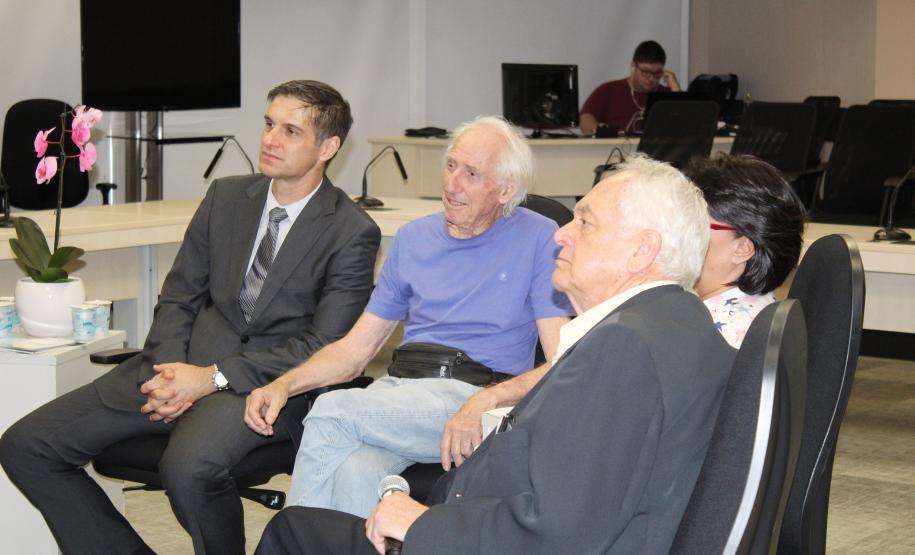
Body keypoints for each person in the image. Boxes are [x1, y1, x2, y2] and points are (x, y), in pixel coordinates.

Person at [254, 155, 736, 555]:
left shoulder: (623, 348)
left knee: (294, 530)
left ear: (641, 251)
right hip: (484, 511)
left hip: (478, 533)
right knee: (350, 478)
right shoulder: (678, 325)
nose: (562, 234)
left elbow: (555, 533)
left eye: (584, 221)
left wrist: (421, 523)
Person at [0, 80, 381, 555]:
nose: (270, 140)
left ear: (328, 147)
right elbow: (180, 295)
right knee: (27, 445)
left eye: (290, 131)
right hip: (175, 367)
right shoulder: (226, 196)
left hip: (260, 387)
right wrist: (169, 370)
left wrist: (211, 378)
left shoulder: (351, 231)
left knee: (189, 469)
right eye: (268, 124)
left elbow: (323, 345)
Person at [243, 115, 574, 518]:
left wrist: (488, 399)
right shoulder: (413, 238)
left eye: (471, 174)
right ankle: (333, 543)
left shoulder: (540, 238)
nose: (452, 183)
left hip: (476, 393)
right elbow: (355, 351)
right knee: (355, 470)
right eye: (451, 165)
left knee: (330, 411)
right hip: (402, 392)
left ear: (506, 190)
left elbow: (564, 361)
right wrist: (285, 384)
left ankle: (288, 543)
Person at [686, 154, 806, 348]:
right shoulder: (758, 309)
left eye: (695, 223)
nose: (679, 231)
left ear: (741, 249)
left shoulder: (714, 336)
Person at [579, 40, 681, 135]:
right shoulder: (609, 90)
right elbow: (585, 119)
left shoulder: (667, 94)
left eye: (657, 74)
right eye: (645, 72)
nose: (651, 78)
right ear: (633, 66)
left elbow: (684, 125)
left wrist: (676, 88)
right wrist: (596, 128)